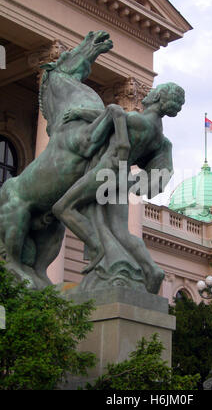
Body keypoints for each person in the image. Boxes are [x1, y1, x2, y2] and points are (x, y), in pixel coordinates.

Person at [52, 83, 185, 291]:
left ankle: (101, 251)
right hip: (124, 178)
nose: (147, 93)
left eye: (152, 92)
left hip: (107, 171)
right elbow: (163, 170)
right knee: (121, 232)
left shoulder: (135, 120)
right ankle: (151, 269)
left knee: (62, 207)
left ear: (157, 97)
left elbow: (106, 117)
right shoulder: (159, 138)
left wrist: (79, 111)